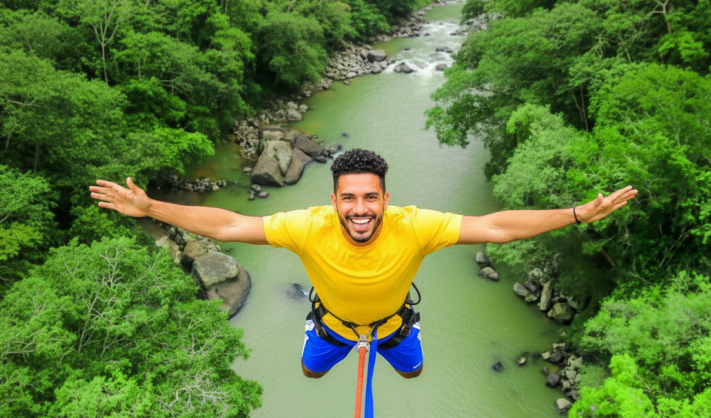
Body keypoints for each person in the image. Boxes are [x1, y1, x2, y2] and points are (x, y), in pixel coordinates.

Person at [89, 149, 637, 380]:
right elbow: (231, 227)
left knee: (415, 370)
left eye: (370, 198)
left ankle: (385, 340)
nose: (359, 210)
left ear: (385, 198)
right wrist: (153, 208)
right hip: (334, 322)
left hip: (394, 324)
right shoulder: (307, 225)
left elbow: (494, 226)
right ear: (333, 201)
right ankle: (325, 333)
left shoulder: (415, 224)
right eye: (348, 199)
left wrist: (575, 215)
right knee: (309, 370)